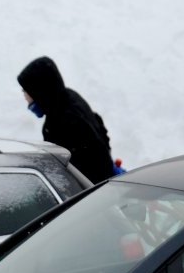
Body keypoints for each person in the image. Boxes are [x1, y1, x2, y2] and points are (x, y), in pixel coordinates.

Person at [17, 55, 116, 184]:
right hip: (101, 181)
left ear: (39, 90)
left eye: (26, 90)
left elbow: (64, 170)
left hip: (92, 191)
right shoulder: (68, 98)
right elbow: (98, 123)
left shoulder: (61, 121)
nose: (24, 95)